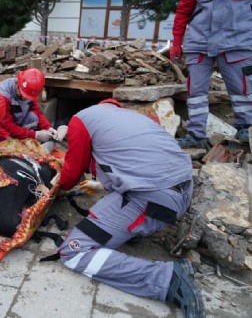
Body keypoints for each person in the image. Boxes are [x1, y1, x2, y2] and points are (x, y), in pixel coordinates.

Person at [56, 99, 204, 318]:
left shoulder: (80, 121)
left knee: (73, 251)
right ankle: (132, 231)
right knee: (116, 208)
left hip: (156, 199)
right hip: (183, 189)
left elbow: (70, 176)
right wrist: (101, 184)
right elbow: (133, 160)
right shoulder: (130, 117)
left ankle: (165, 278)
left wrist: (55, 186)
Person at [171, 0, 252, 148]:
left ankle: (246, 129)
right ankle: (196, 135)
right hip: (199, 42)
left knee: (242, 89)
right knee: (195, 92)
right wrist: (177, 41)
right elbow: (184, 9)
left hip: (237, 42)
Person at [0, 68, 59, 143]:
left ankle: (26, 141)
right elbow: (7, 126)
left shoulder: (30, 90)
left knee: (33, 117)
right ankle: (22, 141)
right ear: (17, 83)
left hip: (18, 123)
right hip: (2, 128)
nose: (24, 98)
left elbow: (36, 112)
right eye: (23, 94)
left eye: (28, 96)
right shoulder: (2, 96)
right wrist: (34, 135)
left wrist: (48, 127)